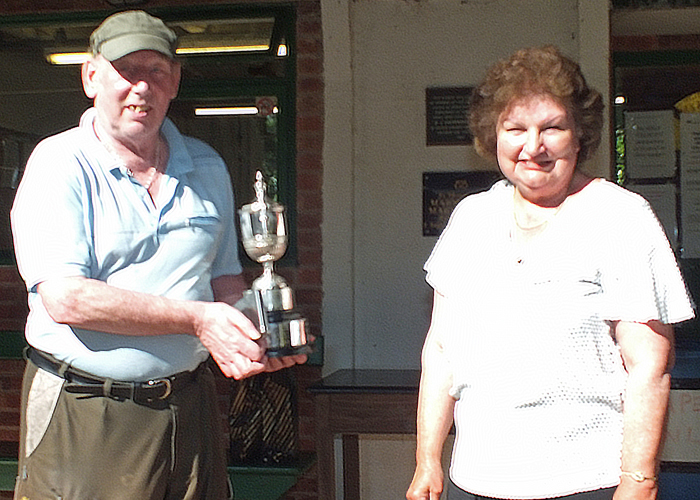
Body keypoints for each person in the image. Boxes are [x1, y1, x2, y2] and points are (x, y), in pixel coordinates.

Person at [10, 10, 306, 500]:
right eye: (127, 71)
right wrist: (198, 321)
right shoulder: (59, 164)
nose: (142, 87)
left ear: (175, 82)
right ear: (91, 77)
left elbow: (223, 280)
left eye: (157, 71)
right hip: (86, 410)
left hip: (190, 407)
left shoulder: (207, 166)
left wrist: (256, 330)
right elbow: (66, 300)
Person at [406, 46, 695, 500]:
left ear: (579, 136)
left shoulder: (620, 217)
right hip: (477, 479)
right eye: (515, 128)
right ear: (493, 136)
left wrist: (639, 481)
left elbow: (650, 366)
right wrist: (427, 460)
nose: (532, 146)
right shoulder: (470, 219)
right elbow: (441, 351)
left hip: (586, 481)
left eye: (552, 128)